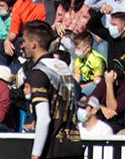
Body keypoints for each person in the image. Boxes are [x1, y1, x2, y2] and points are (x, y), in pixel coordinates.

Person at [22, 21, 83, 159]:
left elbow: (44, 119)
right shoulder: (62, 66)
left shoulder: (38, 73)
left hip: (53, 148)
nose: (22, 45)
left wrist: (35, 155)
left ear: (33, 43)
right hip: (73, 145)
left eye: (24, 41)